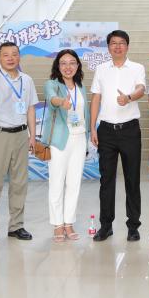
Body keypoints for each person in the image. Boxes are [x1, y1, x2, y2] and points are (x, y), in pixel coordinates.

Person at [89, 29, 147, 242]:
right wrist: (93, 127)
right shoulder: (101, 69)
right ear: (108, 47)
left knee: (132, 180)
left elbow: (141, 89)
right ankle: (106, 226)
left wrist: (129, 97)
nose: (117, 46)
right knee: (106, 181)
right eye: (113, 43)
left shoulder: (137, 68)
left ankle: (133, 226)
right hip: (106, 131)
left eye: (121, 43)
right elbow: (96, 98)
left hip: (130, 130)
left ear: (127, 46)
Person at [0, 42, 39, 246]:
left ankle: (16, 226)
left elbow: (30, 108)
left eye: (14, 54)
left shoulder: (27, 80)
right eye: (6, 55)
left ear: (19, 57)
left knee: (19, 182)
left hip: (21, 134)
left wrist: (32, 135)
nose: (11, 58)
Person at [42, 49, 91, 242]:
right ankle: (57, 225)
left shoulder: (81, 86)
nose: (68, 67)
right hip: (59, 140)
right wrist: (61, 101)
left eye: (72, 63)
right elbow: (51, 98)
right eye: (63, 63)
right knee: (56, 183)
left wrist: (88, 135)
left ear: (77, 66)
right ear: (58, 66)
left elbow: (85, 113)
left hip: (79, 139)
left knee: (74, 184)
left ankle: (69, 223)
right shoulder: (52, 84)